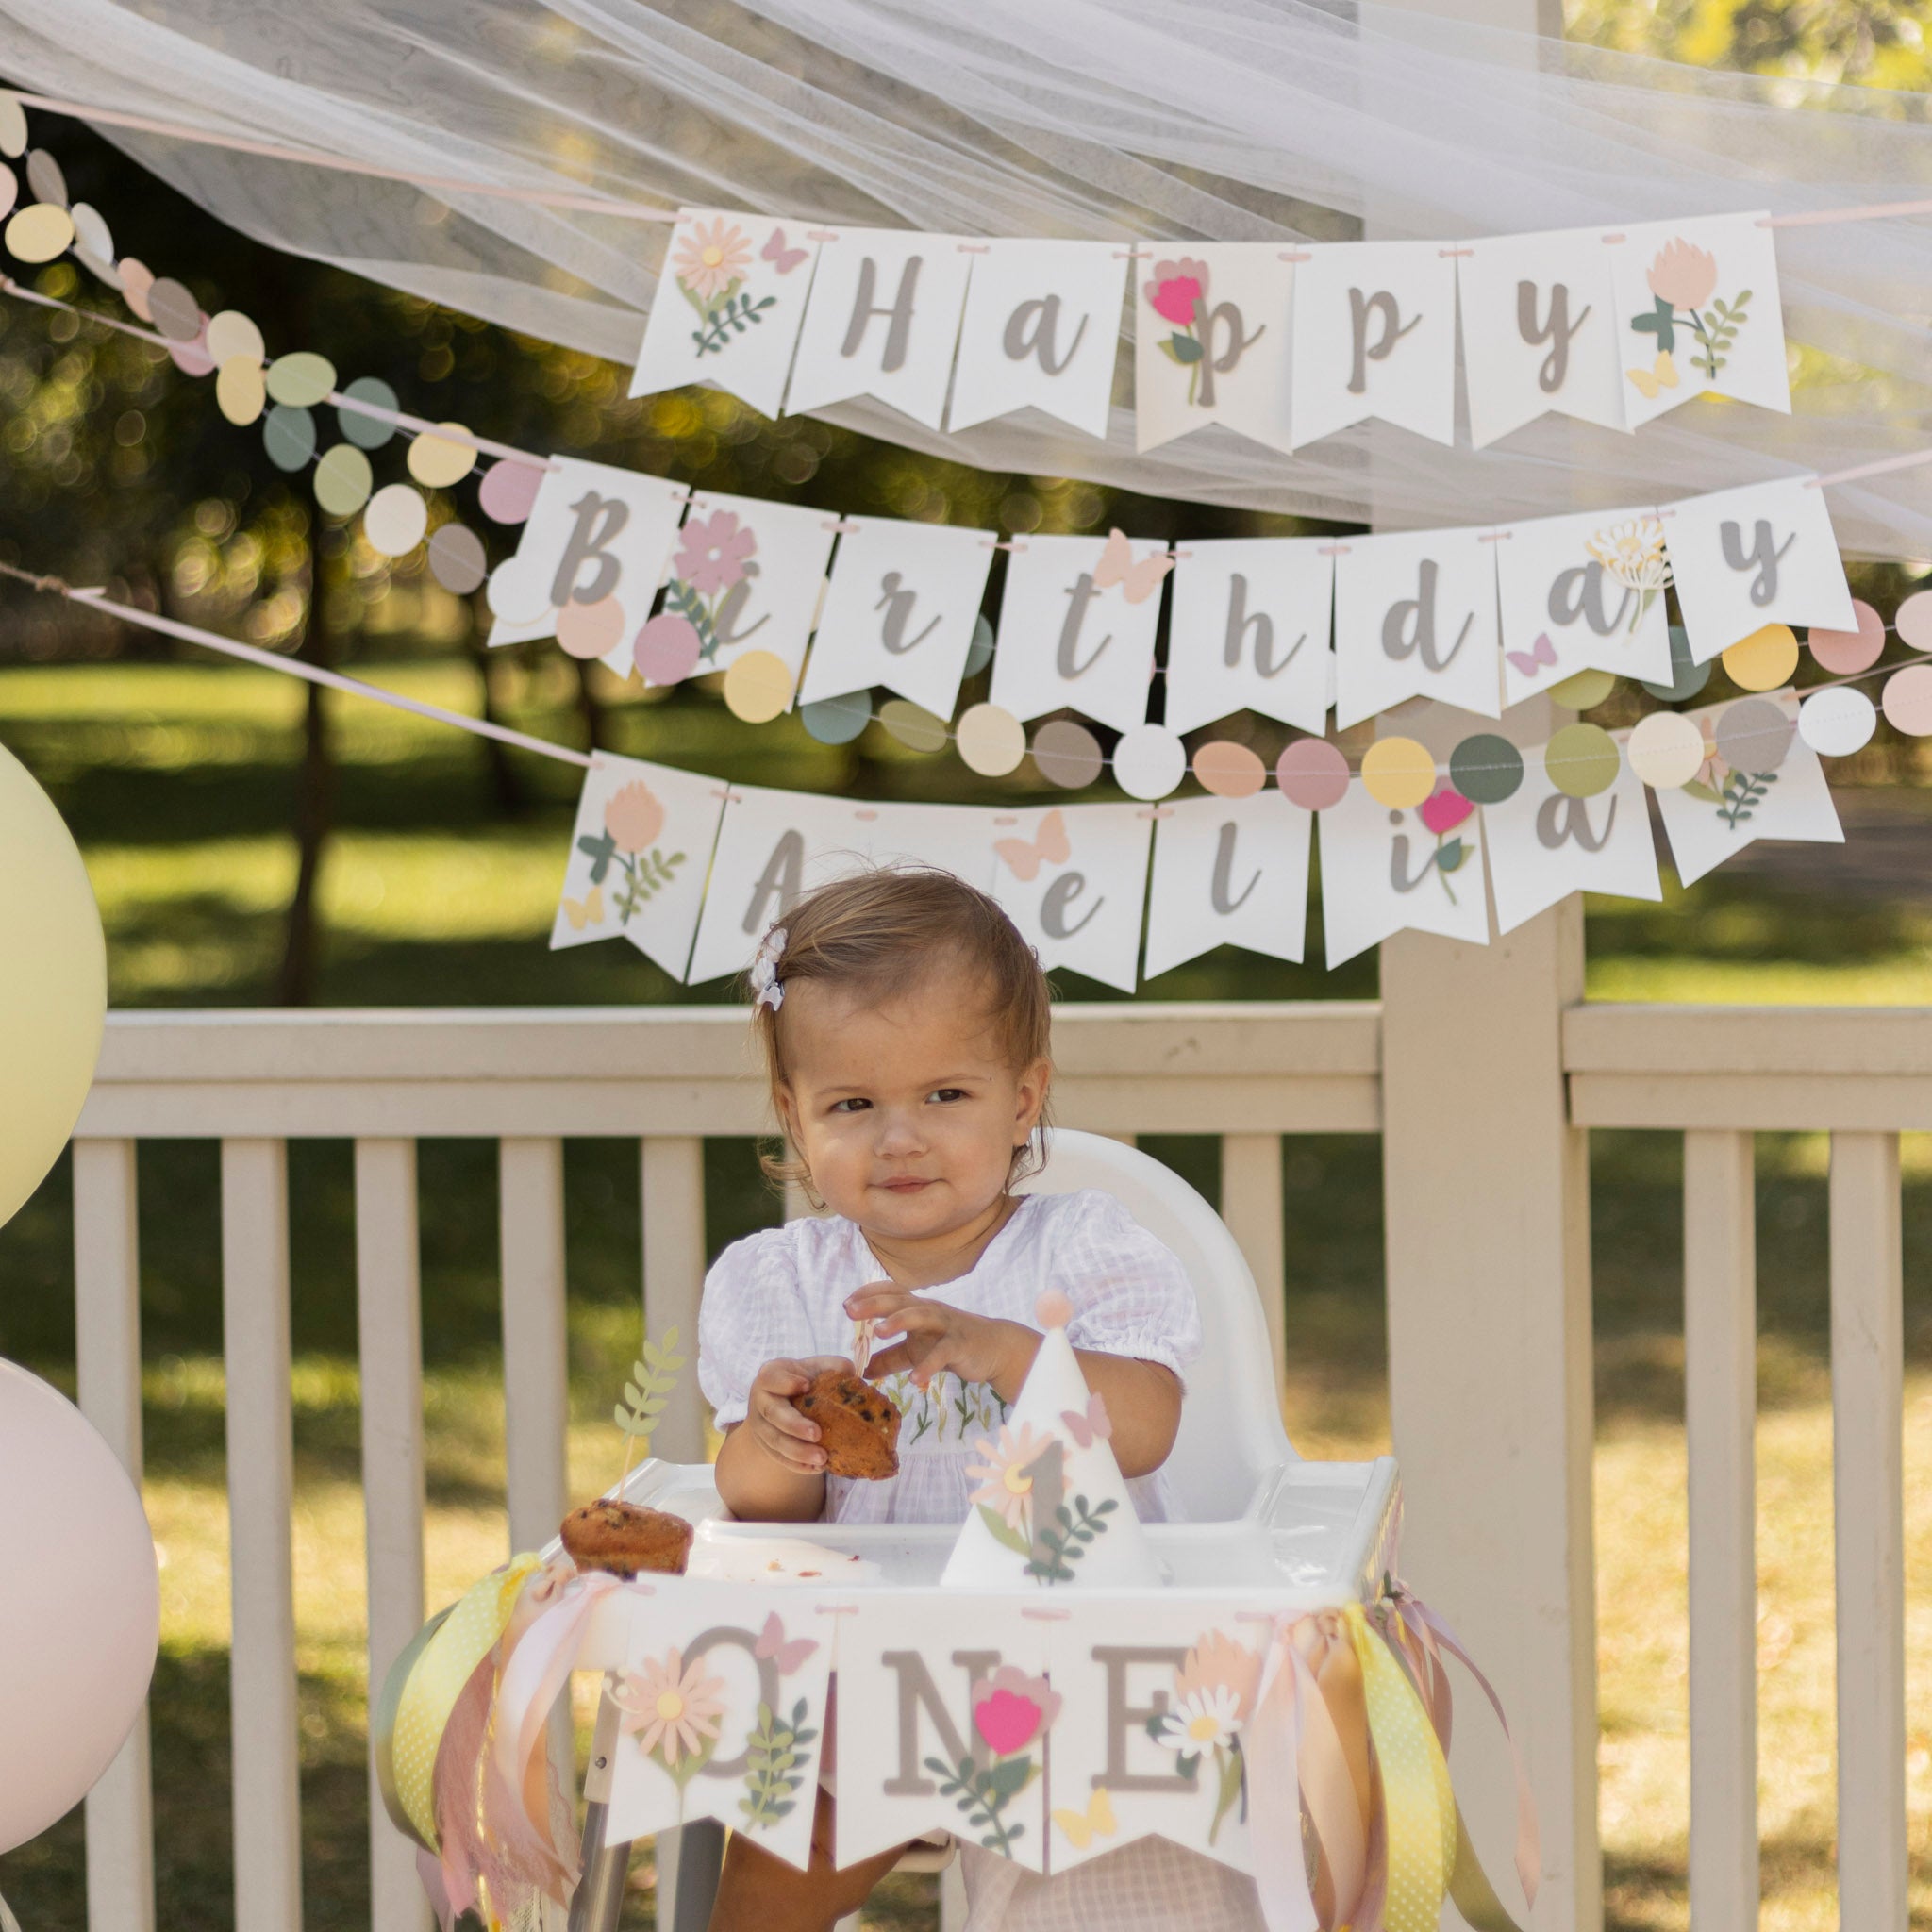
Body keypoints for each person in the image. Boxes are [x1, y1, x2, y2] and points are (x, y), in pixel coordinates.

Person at [697, 865, 1267, 1931]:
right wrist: (775, 1433)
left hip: (1063, 1673)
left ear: (1024, 1097)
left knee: (1117, 1872)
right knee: (776, 1854)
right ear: (793, 1114)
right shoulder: (776, 1283)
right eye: (852, 1105)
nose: (898, 1137)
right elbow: (756, 1504)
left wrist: (1008, 1350)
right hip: (860, 1676)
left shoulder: (1083, 1250)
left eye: (942, 1094)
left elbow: (1141, 1429)